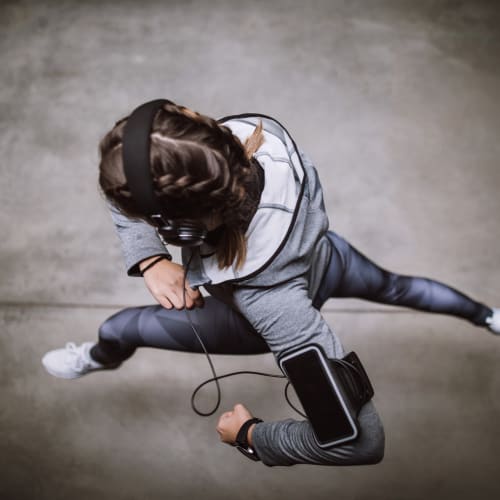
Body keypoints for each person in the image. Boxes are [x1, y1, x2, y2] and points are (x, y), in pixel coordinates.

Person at [42, 100, 500, 467]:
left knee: (122, 328)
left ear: (184, 228)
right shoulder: (230, 147)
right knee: (398, 287)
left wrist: (250, 436)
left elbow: (358, 444)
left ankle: (98, 357)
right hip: (328, 257)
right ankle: (489, 316)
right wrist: (149, 257)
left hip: (258, 314)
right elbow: (130, 180)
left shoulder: (272, 308)